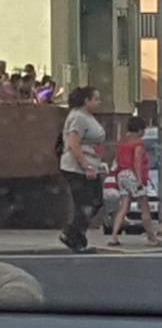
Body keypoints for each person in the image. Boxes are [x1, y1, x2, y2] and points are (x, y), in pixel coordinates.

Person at [59, 86, 106, 252]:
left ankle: (77, 235)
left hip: (91, 164)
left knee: (95, 201)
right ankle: (72, 235)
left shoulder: (88, 117)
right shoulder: (78, 117)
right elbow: (73, 143)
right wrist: (86, 165)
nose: (99, 102)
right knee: (86, 202)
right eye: (96, 99)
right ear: (87, 100)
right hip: (76, 167)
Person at [109, 117, 158, 246]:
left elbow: (117, 159)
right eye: (143, 130)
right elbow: (137, 162)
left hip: (121, 174)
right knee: (144, 207)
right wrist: (140, 181)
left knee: (124, 207)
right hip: (132, 175)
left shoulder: (122, 142)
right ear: (140, 130)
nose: (144, 133)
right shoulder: (138, 143)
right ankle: (151, 238)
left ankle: (114, 236)